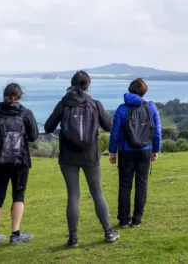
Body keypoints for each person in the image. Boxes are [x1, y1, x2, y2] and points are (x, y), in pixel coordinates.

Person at [44, 70, 118, 248]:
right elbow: (108, 126)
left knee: (73, 195)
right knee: (97, 192)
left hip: (68, 156)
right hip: (90, 155)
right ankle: (108, 231)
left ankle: (73, 238)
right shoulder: (94, 103)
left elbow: (47, 127)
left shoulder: (64, 104)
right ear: (88, 85)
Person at [0, 82, 39, 246]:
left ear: (4, 95)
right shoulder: (26, 114)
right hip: (20, 162)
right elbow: (34, 136)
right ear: (20, 96)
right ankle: (16, 234)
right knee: (18, 196)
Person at [108, 78, 161, 228]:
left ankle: (124, 220)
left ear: (130, 90)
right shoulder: (151, 107)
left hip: (126, 151)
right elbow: (156, 132)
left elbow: (115, 132)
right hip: (145, 150)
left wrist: (112, 152)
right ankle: (137, 219)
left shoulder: (122, 109)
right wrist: (155, 150)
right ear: (144, 91)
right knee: (141, 184)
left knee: (125, 185)